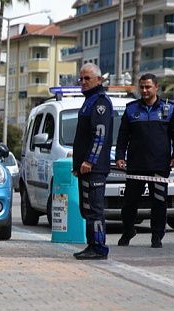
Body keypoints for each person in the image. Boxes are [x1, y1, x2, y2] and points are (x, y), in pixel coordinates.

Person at [115, 73, 174, 249]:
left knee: (159, 202)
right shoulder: (131, 109)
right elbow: (122, 136)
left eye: (148, 87)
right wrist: (120, 156)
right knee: (129, 202)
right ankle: (128, 231)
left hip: (160, 165)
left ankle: (156, 236)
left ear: (156, 87)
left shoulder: (169, 109)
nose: (144, 90)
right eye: (142, 87)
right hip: (136, 165)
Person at [71, 63, 114, 260]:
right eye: (81, 78)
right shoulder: (89, 101)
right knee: (86, 208)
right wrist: (77, 164)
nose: (84, 82)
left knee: (94, 210)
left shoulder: (100, 103)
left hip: (94, 168)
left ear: (99, 79)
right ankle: (91, 245)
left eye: (87, 78)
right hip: (85, 168)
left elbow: (100, 135)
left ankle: (98, 247)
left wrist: (89, 161)